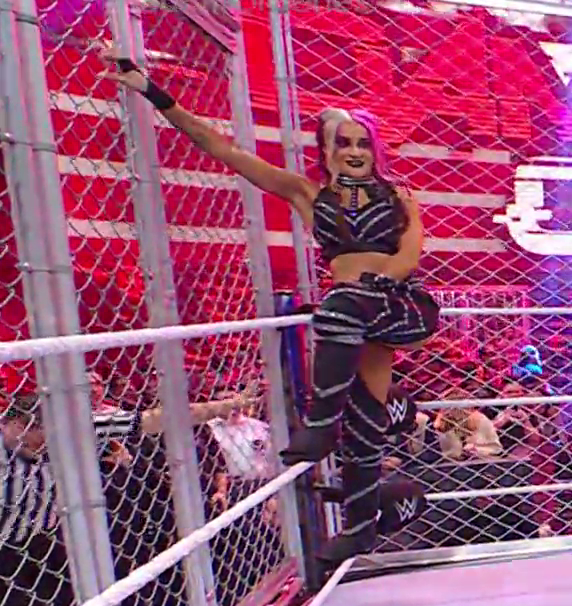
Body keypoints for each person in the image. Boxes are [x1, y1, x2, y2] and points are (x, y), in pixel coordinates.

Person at [106, 55, 435, 564]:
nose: (353, 151)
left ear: (375, 148)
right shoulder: (308, 194)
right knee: (367, 419)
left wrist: (374, 283)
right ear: (326, 150)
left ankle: (320, 424)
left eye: (362, 142)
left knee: (338, 308)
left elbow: (410, 256)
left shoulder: (399, 196)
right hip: (354, 318)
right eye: (343, 142)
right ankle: (360, 528)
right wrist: (154, 92)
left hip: (398, 304)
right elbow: (225, 150)